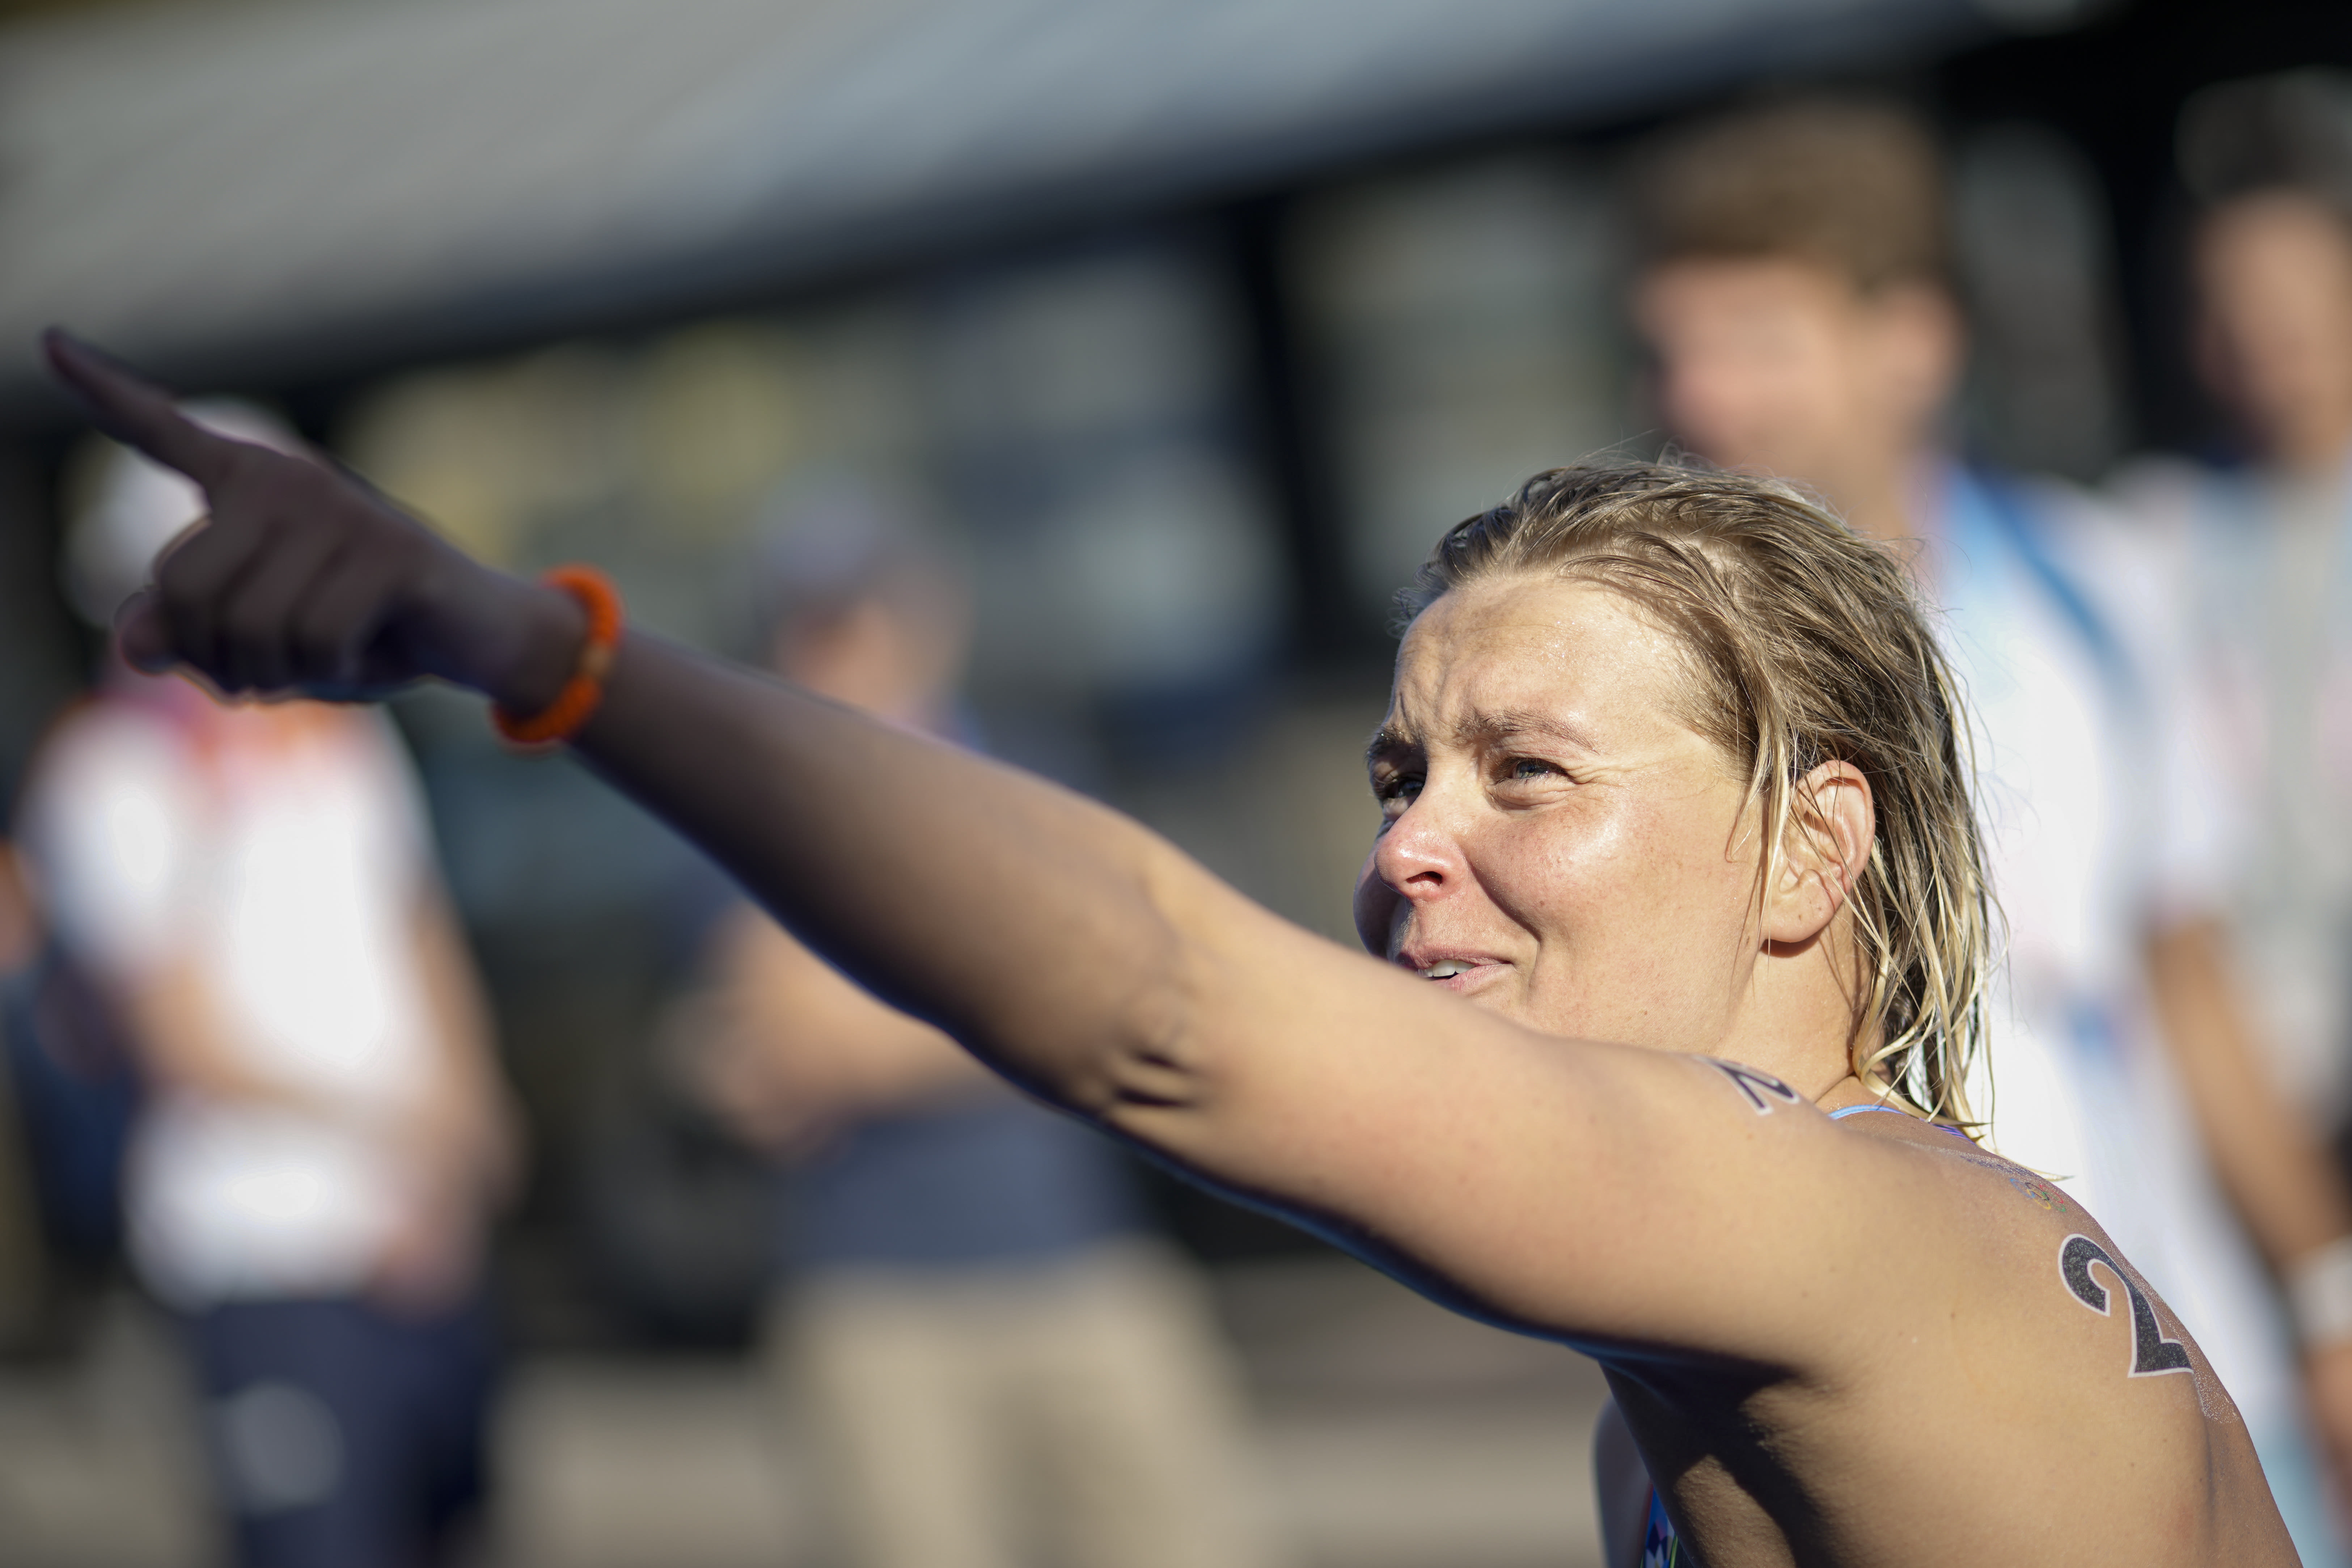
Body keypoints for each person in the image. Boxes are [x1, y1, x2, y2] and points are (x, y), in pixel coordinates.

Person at [41, 330, 2307, 1567]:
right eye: (1397, 778)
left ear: (1812, 853)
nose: (1415, 849)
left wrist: (533, 646)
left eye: (1527, 775)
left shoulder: (1856, 1224)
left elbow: (1159, 1003)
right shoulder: (1704, 1361)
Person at [1626, 98, 2352, 1565]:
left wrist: (2327, 1303)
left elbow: (2182, 980)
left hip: (2172, 1365)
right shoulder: (1640, 662)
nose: (1701, 399)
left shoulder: (2091, 587)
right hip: (1859, 1431)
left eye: (1756, 339)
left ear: (1912, 340)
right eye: (1668, 352)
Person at [681, 483, 1281, 1568]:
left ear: (927, 614)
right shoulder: (753, 801)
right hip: (875, 1303)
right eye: (810, 624)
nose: (846, 648)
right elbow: (790, 1050)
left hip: (1084, 1268)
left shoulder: (1035, 774)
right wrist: (1024, 1013)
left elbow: (1134, 997)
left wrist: (887, 1035)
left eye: (863, 612)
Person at [12, 403, 516, 1568]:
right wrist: (407, 1136)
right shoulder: (111, 771)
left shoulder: (337, 735)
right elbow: (179, 1034)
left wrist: (466, 1133)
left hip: (422, 1242)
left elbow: (416, 929)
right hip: (267, 1259)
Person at [2117, 68, 2352, 1464]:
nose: (2263, 341)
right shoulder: (2150, 544)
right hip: (2258, 1126)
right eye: (2229, 308)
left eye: (2298, 300)